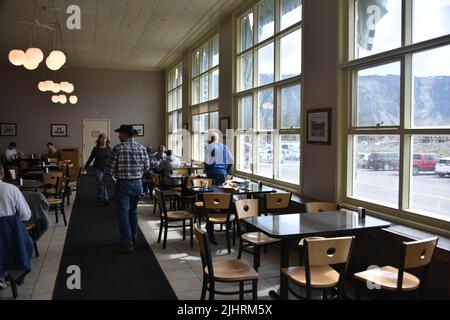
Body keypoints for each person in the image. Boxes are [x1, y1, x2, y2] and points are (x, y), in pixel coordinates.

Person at [105, 125, 149, 253]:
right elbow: (147, 167)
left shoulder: (118, 148)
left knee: (123, 213)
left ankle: (127, 242)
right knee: (133, 211)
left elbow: (109, 168)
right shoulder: (142, 148)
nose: (118, 136)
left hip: (123, 184)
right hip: (138, 184)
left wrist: (107, 178)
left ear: (125, 134)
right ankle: (133, 238)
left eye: (120, 133)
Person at [0, 163, 32, 289]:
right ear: (2, 175)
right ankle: (13, 274)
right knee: (27, 243)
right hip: (10, 238)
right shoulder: (10, 189)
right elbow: (26, 215)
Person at [84, 134, 112, 205]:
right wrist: (85, 167)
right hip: (97, 168)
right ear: (99, 140)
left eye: (105, 138)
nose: (104, 140)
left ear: (107, 140)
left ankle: (100, 195)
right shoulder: (95, 149)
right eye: (102, 138)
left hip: (106, 169)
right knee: (101, 182)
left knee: (102, 184)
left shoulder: (109, 148)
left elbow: (112, 159)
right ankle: (106, 198)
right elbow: (91, 158)